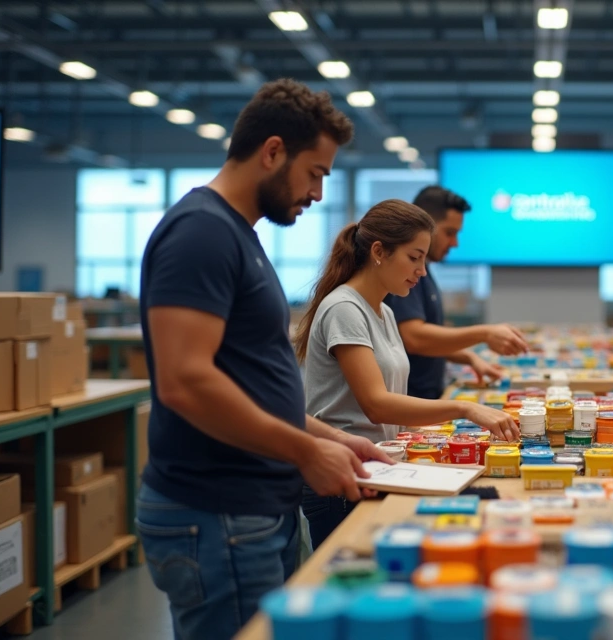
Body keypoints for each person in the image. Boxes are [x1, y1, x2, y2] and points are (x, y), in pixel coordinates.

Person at [135, 79, 393, 640]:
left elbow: (249, 387)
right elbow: (185, 382)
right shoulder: (201, 233)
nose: (318, 194)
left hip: (250, 509)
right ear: (273, 151)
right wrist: (305, 451)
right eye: (315, 173)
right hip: (218, 511)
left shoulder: (237, 234)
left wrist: (332, 438)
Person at [294, 199, 520, 547]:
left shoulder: (383, 311)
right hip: (344, 477)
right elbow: (377, 404)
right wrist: (465, 408)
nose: (422, 271)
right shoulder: (344, 309)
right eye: (414, 258)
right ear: (378, 252)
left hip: (380, 468)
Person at [386, 186, 529, 399]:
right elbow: (414, 337)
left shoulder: (424, 271)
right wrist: (484, 333)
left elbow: (431, 340)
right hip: (412, 400)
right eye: (449, 233)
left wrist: (469, 358)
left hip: (429, 397)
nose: (455, 243)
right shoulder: (405, 275)